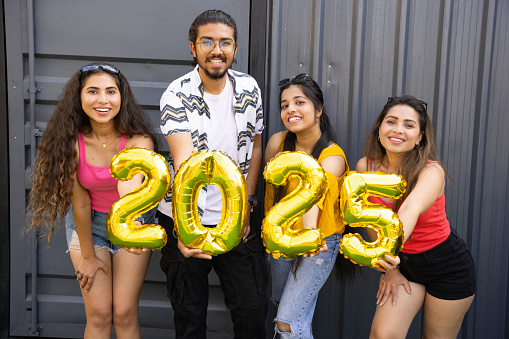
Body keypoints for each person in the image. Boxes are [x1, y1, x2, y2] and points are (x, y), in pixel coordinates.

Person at [27, 63, 158, 339]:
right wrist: (87, 256)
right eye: (93, 91)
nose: (103, 100)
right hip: (89, 226)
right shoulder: (70, 143)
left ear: (121, 97)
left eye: (111, 91)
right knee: (99, 315)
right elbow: (81, 204)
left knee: (123, 313)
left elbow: (131, 193)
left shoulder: (139, 141)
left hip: (131, 222)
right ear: (79, 97)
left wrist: (130, 228)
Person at [157, 9, 268, 338]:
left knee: (253, 313)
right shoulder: (175, 95)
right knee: (189, 318)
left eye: (225, 42)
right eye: (207, 41)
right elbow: (185, 165)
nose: (216, 50)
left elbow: (257, 148)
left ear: (235, 49)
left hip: (237, 218)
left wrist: (246, 203)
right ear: (193, 48)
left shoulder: (249, 87)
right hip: (188, 216)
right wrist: (182, 229)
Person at [356, 95, 476, 339]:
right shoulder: (365, 168)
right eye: (391, 121)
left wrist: (389, 253)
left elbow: (408, 209)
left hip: (447, 265)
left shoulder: (431, 171)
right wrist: (389, 269)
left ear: (420, 137)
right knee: (383, 334)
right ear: (380, 128)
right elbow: (371, 221)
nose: (398, 130)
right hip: (403, 265)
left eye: (409, 125)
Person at [264, 73, 358, 338]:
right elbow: (271, 192)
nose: (291, 109)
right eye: (284, 105)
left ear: (318, 110)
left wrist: (308, 238)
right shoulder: (277, 144)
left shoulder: (332, 156)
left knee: (288, 322)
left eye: (299, 102)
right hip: (281, 240)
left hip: (318, 245)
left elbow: (311, 201)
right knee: (287, 317)